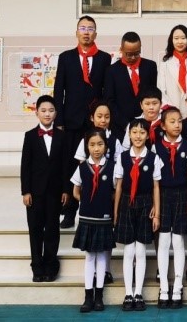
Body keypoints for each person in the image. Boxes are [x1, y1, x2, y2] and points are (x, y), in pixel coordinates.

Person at [53, 15, 110, 229]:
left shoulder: (104, 58)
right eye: (83, 28)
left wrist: (102, 118)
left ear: (96, 33)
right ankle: (69, 212)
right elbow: (59, 90)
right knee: (70, 168)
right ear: (76, 32)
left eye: (90, 28)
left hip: (94, 124)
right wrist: (59, 121)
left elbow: (105, 91)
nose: (86, 32)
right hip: (70, 122)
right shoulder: (66, 57)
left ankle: (94, 208)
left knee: (95, 166)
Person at [20, 94, 70, 283]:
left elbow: (66, 165)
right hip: (35, 192)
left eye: (51, 110)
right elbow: (25, 166)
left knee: (52, 228)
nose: (47, 114)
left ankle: (50, 265)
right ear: (37, 113)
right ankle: (37, 266)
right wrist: (26, 191)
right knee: (35, 229)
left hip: (55, 192)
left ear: (56, 113)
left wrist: (66, 190)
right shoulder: (30, 136)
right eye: (43, 110)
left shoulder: (62, 136)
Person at [115, 117, 163, 311]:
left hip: (145, 204)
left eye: (142, 132)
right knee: (129, 251)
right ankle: (128, 293)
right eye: (134, 132)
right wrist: (116, 212)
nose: (138, 136)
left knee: (141, 251)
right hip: (126, 203)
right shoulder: (122, 157)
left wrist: (156, 211)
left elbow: (156, 187)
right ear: (129, 134)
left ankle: (138, 293)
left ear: (148, 135)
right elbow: (119, 186)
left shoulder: (153, 158)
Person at [73, 128, 117, 313]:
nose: (96, 148)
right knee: (90, 256)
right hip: (87, 217)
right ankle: (88, 296)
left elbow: (115, 191)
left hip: (104, 218)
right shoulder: (82, 167)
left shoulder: (113, 167)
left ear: (106, 146)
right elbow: (76, 190)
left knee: (101, 256)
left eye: (100, 144)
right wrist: (85, 202)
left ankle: (99, 296)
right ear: (87, 147)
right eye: (92, 145)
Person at [155, 106, 187, 308]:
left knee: (178, 241)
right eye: (172, 121)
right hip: (162, 195)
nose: (177, 125)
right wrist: (155, 206)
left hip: (182, 195)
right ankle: (163, 287)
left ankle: (177, 286)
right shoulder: (155, 148)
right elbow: (154, 181)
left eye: (179, 121)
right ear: (162, 126)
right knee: (163, 241)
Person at [105, 31, 159, 128]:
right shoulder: (112, 71)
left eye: (137, 53)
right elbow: (110, 101)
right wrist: (126, 124)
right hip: (121, 126)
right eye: (129, 54)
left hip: (146, 124)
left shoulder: (150, 66)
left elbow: (153, 95)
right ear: (121, 49)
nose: (133, 57)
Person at [159, 24, 187, 114]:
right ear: (171, 40)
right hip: (170, 112)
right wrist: (170, 109)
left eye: (183, 38)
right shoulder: (164, 64)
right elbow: (161, 90)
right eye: (176, 38)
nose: (180, 42)